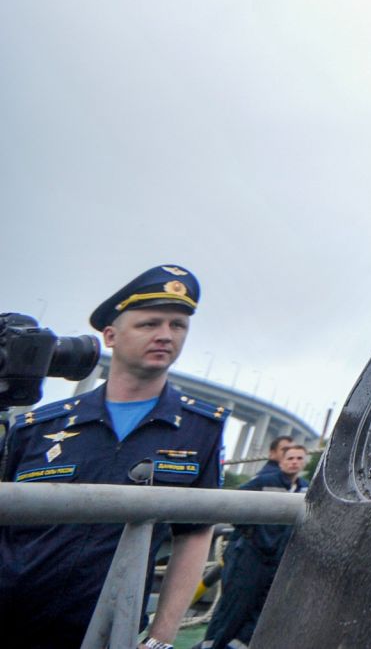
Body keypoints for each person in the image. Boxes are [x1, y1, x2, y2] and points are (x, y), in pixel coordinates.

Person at [0, 266, 226, 649]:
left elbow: (194, 532)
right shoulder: (37, 426)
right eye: (149, 324)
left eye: (178, 325)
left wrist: (161, 637)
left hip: (106, 629)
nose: (165, 335)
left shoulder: (199, 428)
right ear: (110, 336)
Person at [203, 441, 308, 649]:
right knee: (234, 606)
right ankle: (212, 645)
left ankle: (236, 646)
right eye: (290, 458)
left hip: (279, 559)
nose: (294, 463)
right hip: (251, 556)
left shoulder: (306, 488)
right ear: (281, 462)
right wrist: (251, 533)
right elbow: (235, 505)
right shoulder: (263, 482)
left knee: (263, 608)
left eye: (299, 459)